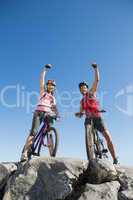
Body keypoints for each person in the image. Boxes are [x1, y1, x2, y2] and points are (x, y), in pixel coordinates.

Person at [75, 63, 118, 164]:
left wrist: (96, 68)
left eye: (84, 87)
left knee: (108, 137)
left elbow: (97, 80)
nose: (83, 89)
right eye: (81, 88)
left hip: (97, 117)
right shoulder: (81, 101)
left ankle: (115, 158)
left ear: (87, 88)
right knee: (87, 126)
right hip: (88, 119)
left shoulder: (91, 93)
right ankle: (91, 150)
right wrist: (79, 114)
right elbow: (81, 112)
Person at [21, 64, 58, 161]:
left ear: (54, 88)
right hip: (39, 112)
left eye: (52, 86)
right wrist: (45, 70)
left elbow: (54, 108)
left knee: (50, 130)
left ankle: (52, 154)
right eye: (49, 85)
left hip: (48, 114)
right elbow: (41, 79)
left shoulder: (53, 98)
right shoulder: (43, 92)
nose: (50, 87)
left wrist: (57, 115)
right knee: (33, 133)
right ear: (47, 86)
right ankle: (25, 152)